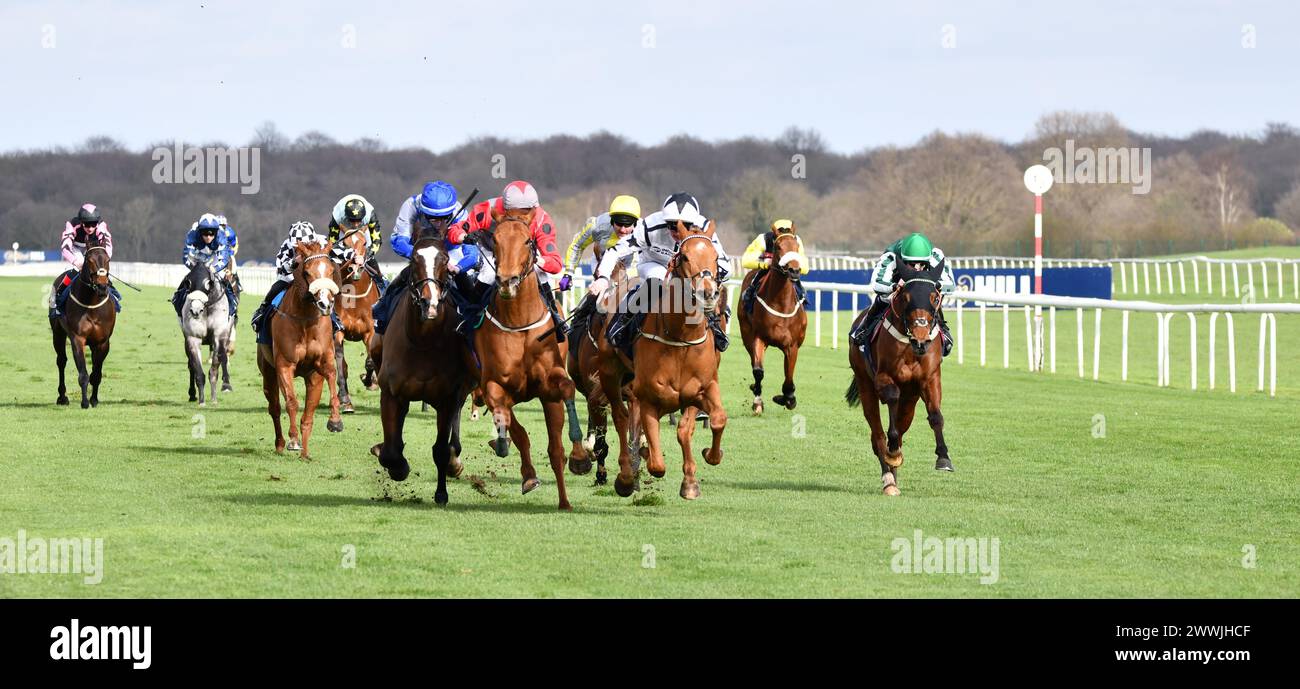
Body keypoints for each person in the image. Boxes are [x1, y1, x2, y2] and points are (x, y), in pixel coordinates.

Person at [591, 192, 731, 354]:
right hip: (654, 264)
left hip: (691, 271)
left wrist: (710, 278)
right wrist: (603, 277)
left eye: (686, 225)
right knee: (656, 282)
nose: (677, 230)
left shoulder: (704, 229)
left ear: (694, 222)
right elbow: (615, 251)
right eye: (671, 224)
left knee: (705, 288)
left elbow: (725, 265)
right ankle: (622, 322)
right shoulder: (650, 226)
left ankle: (715, 324)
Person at [445, 180, 566, 341]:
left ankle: (555, 315)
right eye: (518, 212)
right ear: (505, 208)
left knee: (540, 274)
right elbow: (454, 231)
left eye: (527, 211)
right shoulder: (487, 210)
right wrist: (464, 237)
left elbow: (555, 263)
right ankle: (470, 317)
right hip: (493, 251)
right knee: (488, 274)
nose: (523, 217)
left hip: (524, 254)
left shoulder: (542, 219)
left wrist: (538, 260)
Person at [370, 181, 464, 335]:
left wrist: (459, 267)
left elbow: (471, 252)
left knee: (467, 283)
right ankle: (382, 312)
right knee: (402, 278)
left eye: (444, 218)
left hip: (448, 253)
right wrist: (423, 255)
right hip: (421, 255)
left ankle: (471, 319)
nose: (438, 223)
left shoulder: (459, 210)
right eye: (432, 218)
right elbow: (399, 241)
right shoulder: (411, 205)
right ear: (424, 211)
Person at [848, 232, 955, 355]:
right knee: (884, 297)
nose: (917, 269)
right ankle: (864, 329)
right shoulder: (891, 256)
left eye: (922, 264)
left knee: (931, 299)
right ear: (903, 259)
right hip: (897, 289)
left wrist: (935, 285)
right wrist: (894, 286)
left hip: (923, 290)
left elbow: (950, 285)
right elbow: (876, 283)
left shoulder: (936, 255)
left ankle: (943, 330)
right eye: (912, 264)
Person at [248, 221, 354, 337]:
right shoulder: (286, 245)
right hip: (291, 275)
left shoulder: (322, 241)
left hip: (315, 276)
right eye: (299, 246)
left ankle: (334, 318)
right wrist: (294, 262)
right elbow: (281, 268)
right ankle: (262, 310)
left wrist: (354, 255)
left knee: (325, 292)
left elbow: (340, 252)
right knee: (277, 286)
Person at [561, 195, 641, 340]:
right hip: (602, 266)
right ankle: (574, 333)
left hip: (631, 269)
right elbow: (577, 245)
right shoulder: (597, 226)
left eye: (627, 225)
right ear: (611, 221)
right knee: (590, 303)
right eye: (618, 224)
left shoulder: (644, 230)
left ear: (636, 223)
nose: (622, 230)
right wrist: (568, 273)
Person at [50, 203, 121, 317]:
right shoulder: (72, 225)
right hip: (75, 247)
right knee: (77, 268)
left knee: (100, 268)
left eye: (93, 225)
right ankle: (59, 294)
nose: (90, 228)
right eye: (87, 225)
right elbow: (65, 248)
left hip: (94, 248)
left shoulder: (101, 226)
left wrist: (104, 259)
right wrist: (75, 262)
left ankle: (112, 293)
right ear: (81, 222)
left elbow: (108, 245)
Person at [171, 213, 238, 317]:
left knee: (223, 279)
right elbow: (186, 257)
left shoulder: (221, 235)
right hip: (198, 257)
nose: (208, 237)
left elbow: (224, 259)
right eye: (205, 234)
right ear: (199, 231)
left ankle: (232, 303)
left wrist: (214, 269)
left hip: (215, 257)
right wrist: (196, 270)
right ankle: (178, 299)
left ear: (216, 232)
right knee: (189, 279)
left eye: (211, 234)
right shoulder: (192, 234)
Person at [739, 218, 809, 314]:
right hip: (768, 270)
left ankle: (802, 302)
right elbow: (745, 261)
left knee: (801, 291)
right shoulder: (763, 239)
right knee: (753, 284)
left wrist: (795, 266)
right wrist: (765, 264)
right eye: (781, 231)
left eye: (787, 231)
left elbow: (805, 268)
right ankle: (748, 300)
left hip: (788, 272)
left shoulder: (796, 241)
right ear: (775, 232)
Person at [327, 194, 386, 288]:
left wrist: (366, 255)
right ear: (347, 216)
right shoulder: (337, 216)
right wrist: (347, 254)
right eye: (353, 220)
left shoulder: (370, 215)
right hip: (344, 228)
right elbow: (332, 244)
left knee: (368, 252)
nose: (355, 225)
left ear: (363, 217)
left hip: (364, 229)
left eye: (358, 220)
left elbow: (377, 240)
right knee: (334, 257)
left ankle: (381, 282)